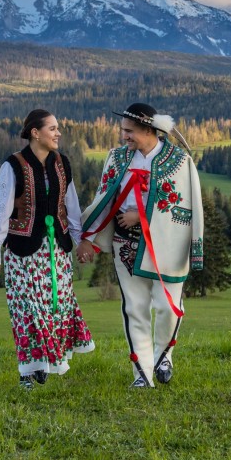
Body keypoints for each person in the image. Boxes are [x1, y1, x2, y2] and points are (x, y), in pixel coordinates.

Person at [77, 103, 203, 388]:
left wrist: (141, 215)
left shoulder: (179, 160)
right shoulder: (117, 158)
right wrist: (89, 238)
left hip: (168, 245)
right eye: (123, 131)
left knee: (169, 307)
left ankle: (164, 354)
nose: (124, 137)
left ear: (149, 130)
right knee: (135, 306)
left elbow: (182, 204)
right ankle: (142, 374)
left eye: (130, 131)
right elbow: (104, 198)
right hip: (127, 243)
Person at [0, 109, 95, 390]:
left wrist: (79, 240)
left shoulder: (62, 164)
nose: (58, 133)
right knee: (26, 309)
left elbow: (71, 207)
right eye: (52, 128)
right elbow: (1, 209)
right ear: (35, 133)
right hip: (23, 251)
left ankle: (43, 363)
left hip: (56, 249)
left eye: (58, 128)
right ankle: (27, 370)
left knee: (53, 308)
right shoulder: (13, 166)